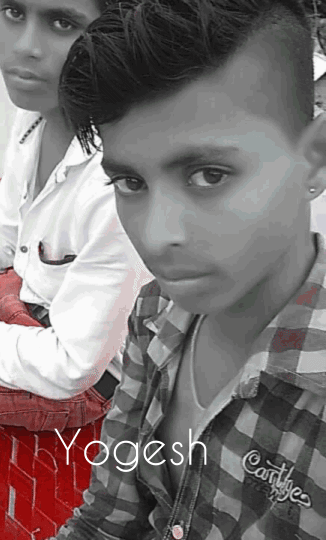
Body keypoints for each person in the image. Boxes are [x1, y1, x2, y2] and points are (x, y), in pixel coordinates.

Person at [50, 0, 326, 538]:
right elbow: (108, 517)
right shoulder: (156, 312)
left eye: (209, 175)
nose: (156, 235)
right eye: (130, 183)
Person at [0, 0, 151, 432]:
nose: (25, 47)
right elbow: (3, 235)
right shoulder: (38, 112)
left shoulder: (121, 185)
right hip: (22, 297)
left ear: (116, 33)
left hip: (73, 380)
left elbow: (71, 367)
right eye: (12, 12)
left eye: (62, 23)